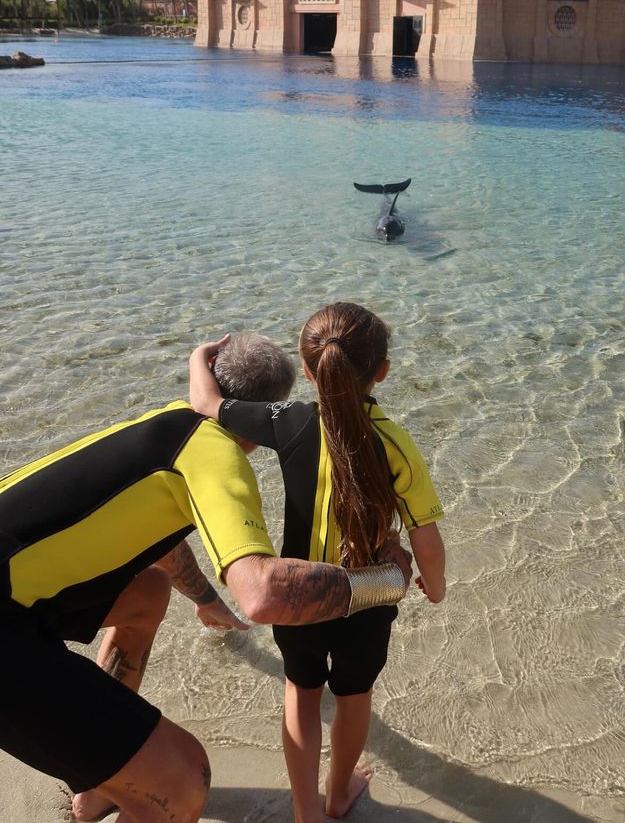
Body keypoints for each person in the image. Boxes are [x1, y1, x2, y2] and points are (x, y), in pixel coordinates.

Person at [0, 332, 412, 823]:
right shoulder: (218, 456)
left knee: (147, 592)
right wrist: (387, 581)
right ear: (262, 421)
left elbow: (156, 539)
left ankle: (97, 783)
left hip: (18, 589)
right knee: (182, 780)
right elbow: (262, 595)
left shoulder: (163, 424)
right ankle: (134, 777)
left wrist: (205, 598)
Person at [189, 302, 446, 823]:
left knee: (302, 692)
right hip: (366, 601)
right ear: (383, 372)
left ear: (307, 371)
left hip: (299, 594)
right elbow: (426, 535)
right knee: (353, 696)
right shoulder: (396, 443)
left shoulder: (290, 422)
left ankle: (306, 811)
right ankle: (338, 793)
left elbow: (205, 401)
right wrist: (434, 586)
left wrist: (201, 354)